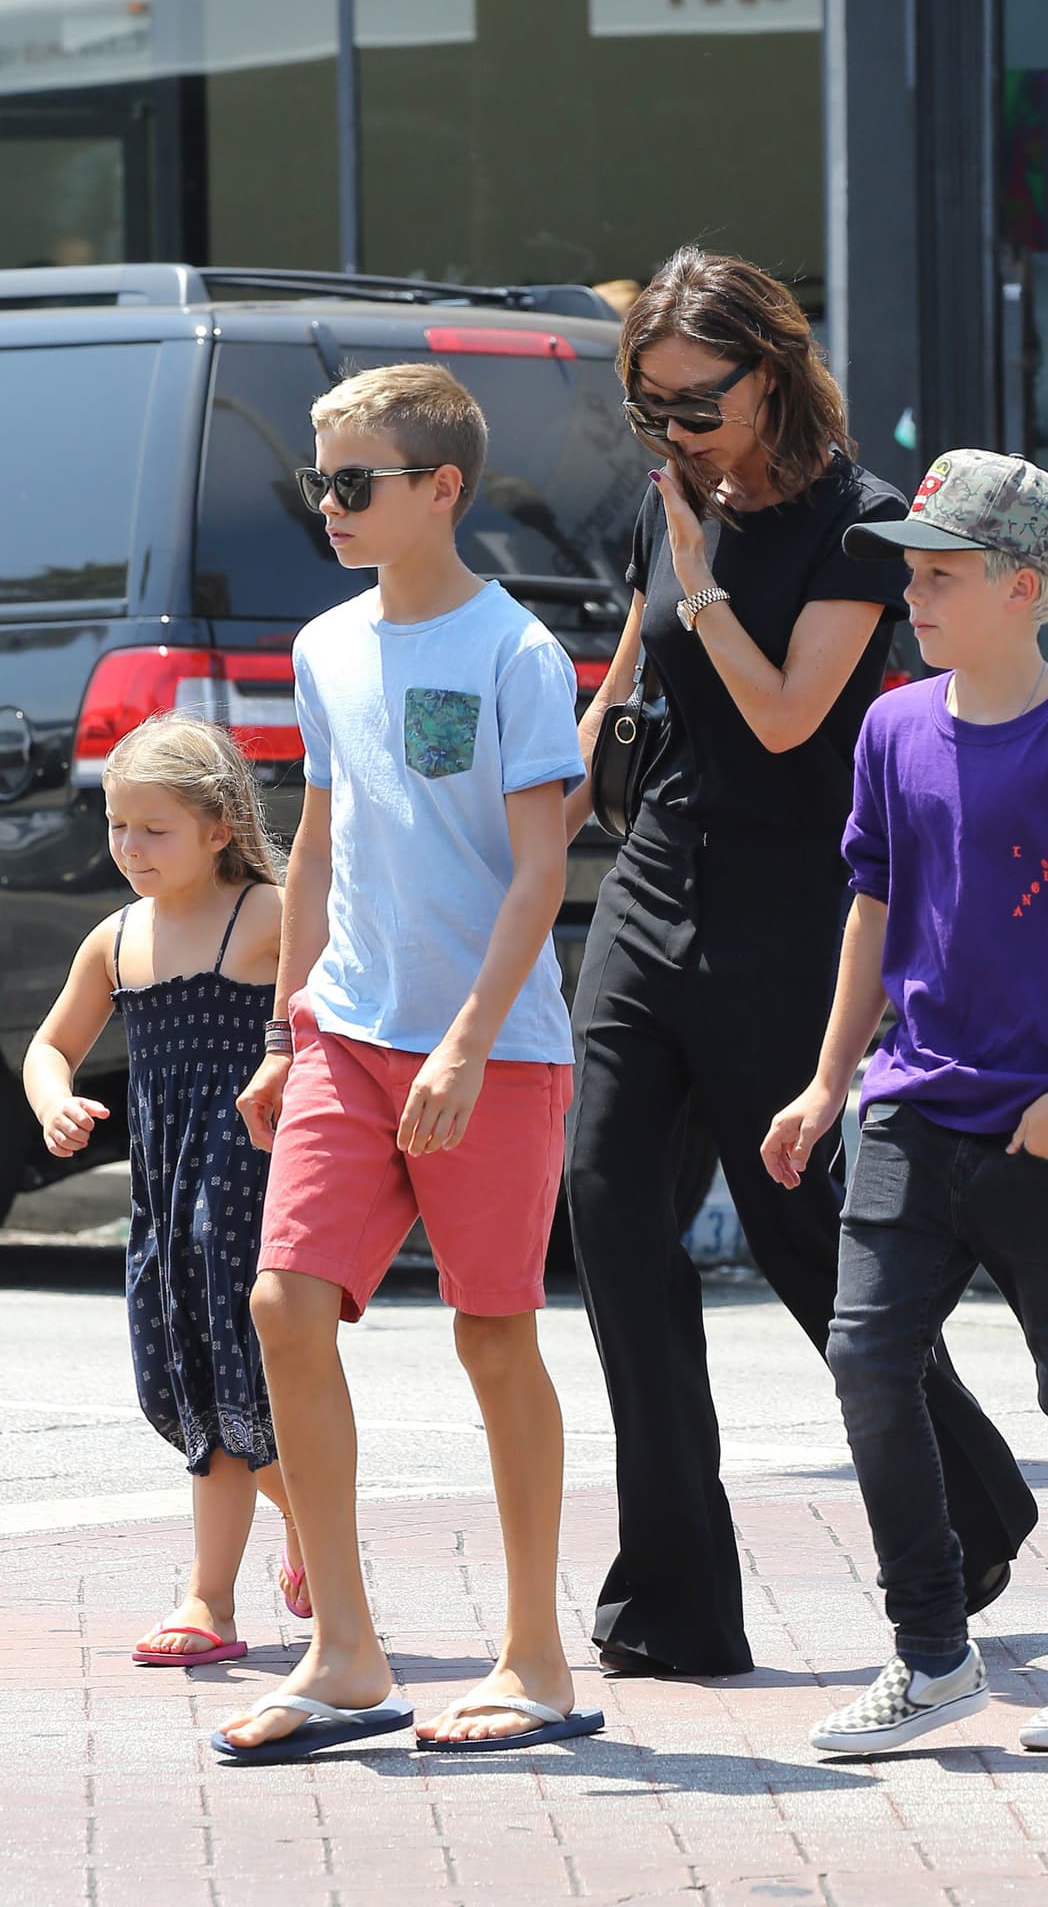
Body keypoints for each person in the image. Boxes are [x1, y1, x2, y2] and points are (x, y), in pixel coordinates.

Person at [564, 246, 1037, 1680]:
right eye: (650, 412)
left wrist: (702, 581)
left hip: (795, 904)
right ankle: (677, 1607)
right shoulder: (671, 501)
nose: (676, 437)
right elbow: (629, 685)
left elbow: (784, 721)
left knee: (800, 1234)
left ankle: (974, 1497)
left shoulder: (858, 525)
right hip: (655, 888)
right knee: (610, 1218)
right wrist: (544, 803)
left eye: (697, 406)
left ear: (770, 370)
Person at [764, 449, 1048, 1755]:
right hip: (909, 1107)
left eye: (940, 574)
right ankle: (934, 1656)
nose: (914, 597)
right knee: (866, 1364)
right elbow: (872, 907)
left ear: (1024, 589)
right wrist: (831, 1076)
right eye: (910, 572)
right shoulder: (896, 726)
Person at [213, 361, 602, 1765]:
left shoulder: (515, 656)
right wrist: (283, 1026)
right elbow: (317, 844)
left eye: (355, 480)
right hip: (345, 1036)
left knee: (495, 1336)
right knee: (282, 1304)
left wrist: (463, 1045)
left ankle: (536, 1661)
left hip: (490, 1056)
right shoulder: (325, 648)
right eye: (318, 479)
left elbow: (543, 872)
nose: (330, 502)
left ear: (442, 489)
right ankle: (347, 1653)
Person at [22, 713, 303, 1662]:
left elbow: (337, 1015)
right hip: (163, 1191)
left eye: (155, 829)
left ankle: (208, 1602)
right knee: (174, 1379)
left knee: (236, 1374)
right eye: (116, 825)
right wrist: (55, 1101)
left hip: (248, 1183)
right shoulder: (115, 938)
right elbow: (52, 1045)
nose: (130, 849)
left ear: (219, 829)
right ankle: (305, 1523)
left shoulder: (267, 914)